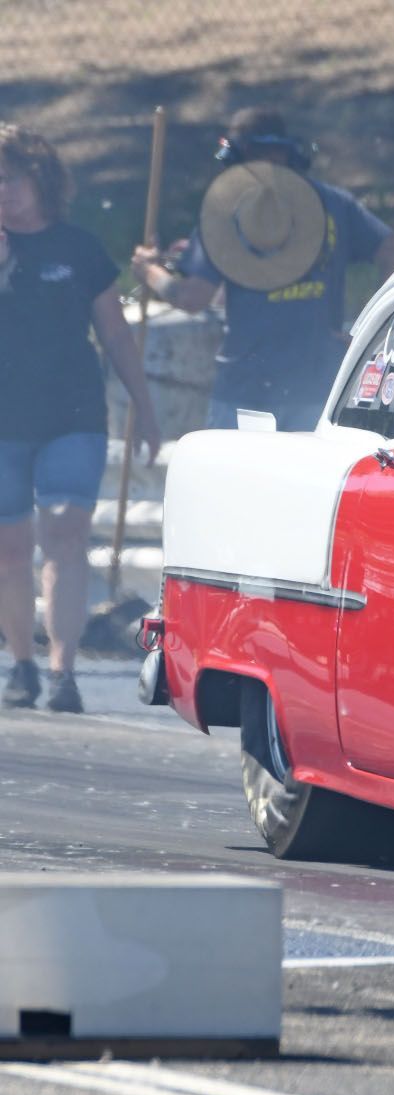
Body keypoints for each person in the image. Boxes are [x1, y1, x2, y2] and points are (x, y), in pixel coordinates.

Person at [0, 124, 163, 713]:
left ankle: (63, 672)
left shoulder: (78, 248)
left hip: (73, 412)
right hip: (4, 421)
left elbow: (114, 333)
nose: (4, 191)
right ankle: (22, 663)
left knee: (66, 530)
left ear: (39, 178)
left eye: (11, 178)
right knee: (11, 545)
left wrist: (144, 409)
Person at [131, 108, 394, 431]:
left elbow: (192, 297)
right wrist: (369, 331)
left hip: (246, 393)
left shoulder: (225, 211)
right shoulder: (334, 203)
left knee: (236, 483)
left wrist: (149, 271)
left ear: (235, 156)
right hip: (320, 388)